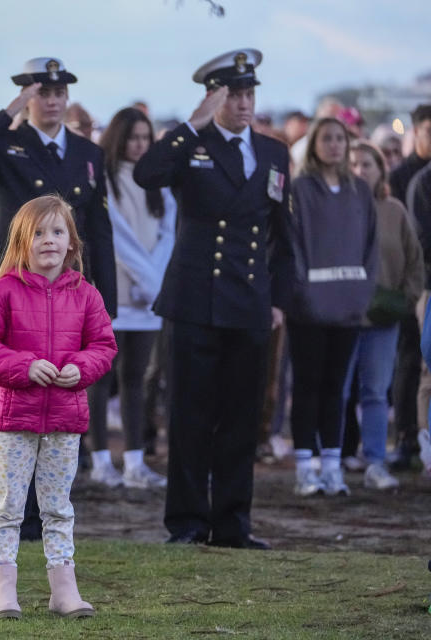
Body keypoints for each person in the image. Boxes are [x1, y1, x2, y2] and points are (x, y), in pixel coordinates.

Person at [0, 57, 117, 540]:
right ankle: (12, 510)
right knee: (13, 400)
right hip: (13, 286)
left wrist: (107, 297)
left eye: (59, 90)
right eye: (41, 90)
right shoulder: (8, 142)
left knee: (61, 398)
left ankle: (50, 512)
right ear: (28, 95)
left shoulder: (87, 152)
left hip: (69, 294)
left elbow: (98, 229)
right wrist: (9, 112)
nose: (52, 98)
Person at [134, 49, 293, 549]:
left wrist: (278, 299)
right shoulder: (191, 144)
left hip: (248, 302)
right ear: (215, 95)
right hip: (195, 300)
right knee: (191, 416)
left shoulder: (272, 153)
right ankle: (185, 522)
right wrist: (190, 122)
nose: (244, 103)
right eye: (233, 94)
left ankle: (231, 523)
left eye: (249, 93)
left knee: (242, 419)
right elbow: (147, 174)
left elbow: (282, 237)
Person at [0, 195, 116, 620]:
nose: (48, 240)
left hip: (65, 421)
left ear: (71, 242)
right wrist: (25, 367)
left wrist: (80, 369)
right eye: (38, 232)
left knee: (58, 506)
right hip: (14, 419)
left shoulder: (87, 296)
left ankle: (63, 590)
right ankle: (4, 591)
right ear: (21, 241)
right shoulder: (1, 292)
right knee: (9, 506)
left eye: (57, 231)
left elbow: (103, 346)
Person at [287, 118, 377, 497]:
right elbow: (292, 247)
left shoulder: (360, 192)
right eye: (327, 138)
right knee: (308, 386)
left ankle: (333, 466)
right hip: (309, 310)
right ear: (314, 145)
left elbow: (371, 249)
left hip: (348, 309)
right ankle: (305, 467)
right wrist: (304, 295)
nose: (335, 145)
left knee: (337, 389)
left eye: (341, 138)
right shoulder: (301, 189)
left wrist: (361, 296)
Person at [92, 107, 176, 489]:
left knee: (137, 380)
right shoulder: (106, 179)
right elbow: (118, 237)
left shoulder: (158, 183)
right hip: (117, 292)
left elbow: (167, 232)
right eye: (133, 137)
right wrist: (147, 278)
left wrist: (155, 282)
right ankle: (99, 459)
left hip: (149, 297)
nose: (140, 145)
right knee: (100, 379)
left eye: (146, 137)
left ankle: (135, 460)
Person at [344, 139, 423, 489]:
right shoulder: (334, 207)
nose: (361, 170)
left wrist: (407, 298)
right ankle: (331, 458)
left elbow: (414, 258)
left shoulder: (394, 210)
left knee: (376, 391)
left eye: (368, 164)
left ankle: (375, 460)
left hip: (383, 317)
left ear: (380, 171)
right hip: (340, 315)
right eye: (355, 164)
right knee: (337, 391)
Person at [388, 105, 431, 469]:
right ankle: (405, 437)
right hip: (413, 280)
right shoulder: (405, 178)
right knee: (409, 359)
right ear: (416, 132)